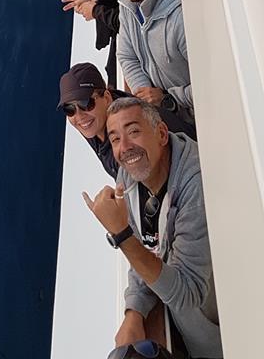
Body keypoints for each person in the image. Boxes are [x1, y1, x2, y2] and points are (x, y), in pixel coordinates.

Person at [83, 98, 222, 358]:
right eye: (114, 139)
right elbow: (148, 249)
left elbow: (188, 292)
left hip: (223, 337)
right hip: (187, 331)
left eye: (133, 131)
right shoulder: (129, 176)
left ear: (160, 134)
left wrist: (121, 234)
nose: (124, 148)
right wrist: (135, 310)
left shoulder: (197, 185)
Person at [102, 0, 193, 130]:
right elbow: (127, 56)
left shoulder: (182, 17)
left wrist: (168, 99)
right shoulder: (126, 4)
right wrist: (146, 95)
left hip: (199, 115)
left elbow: (213, 84)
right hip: (167, 115)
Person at [57, 62, 125, 177]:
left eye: (86, 103)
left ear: (107, 98)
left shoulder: (127, 132)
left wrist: (117, 195)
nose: (79, 116)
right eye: (69, 109)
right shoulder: (94, 123)